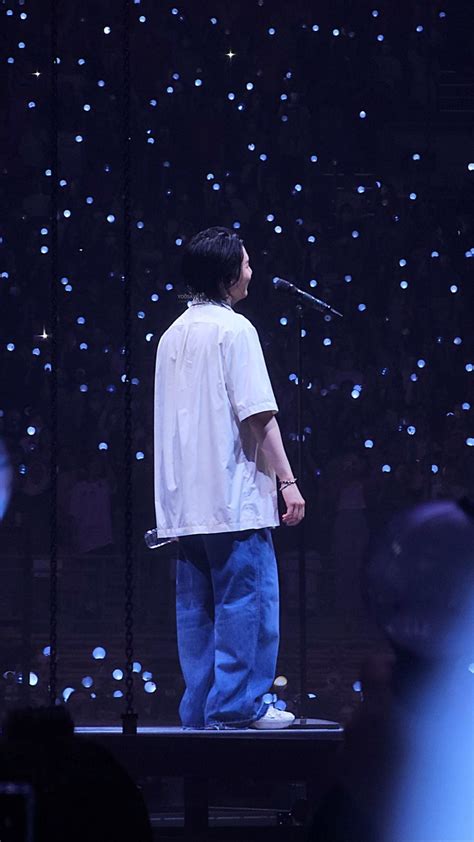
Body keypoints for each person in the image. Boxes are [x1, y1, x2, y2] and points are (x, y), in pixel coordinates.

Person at [153, 226, 305, 730]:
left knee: (196, 611)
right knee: (249, 603)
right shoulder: (236, 330)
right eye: (245, 263)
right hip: (233, 494)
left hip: (184, 501)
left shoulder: (171, 334)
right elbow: (258, 414)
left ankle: (201, 708)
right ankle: (240, 706)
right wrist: (287, 480)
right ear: (225, 274)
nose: (251, 271)